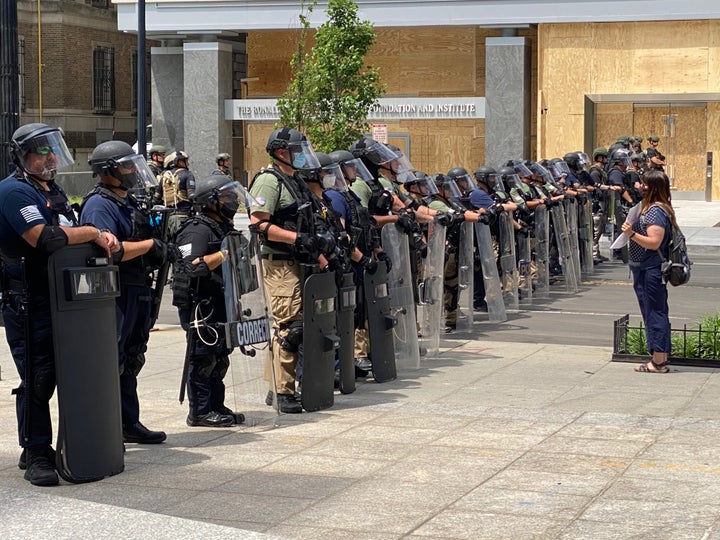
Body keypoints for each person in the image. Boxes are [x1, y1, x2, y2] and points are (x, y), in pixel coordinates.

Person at [0, 123, 118, 486]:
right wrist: (94, 232)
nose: (50, 157)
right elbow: (46, 238)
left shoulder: (53, 190)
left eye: (53, 150)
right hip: (27, 299)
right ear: (22, 156)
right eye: (41, 151)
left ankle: (47, 444)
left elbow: (66, 229)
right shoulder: (14, 191)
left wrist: (95, 238)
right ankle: (36, 452)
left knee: (64, 372)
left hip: (61, 297)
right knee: (38, 377)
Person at [80, 140, 171, 444]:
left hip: (138, 285)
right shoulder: (99, 204)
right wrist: (149, 246)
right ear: (108, 171)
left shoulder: (126, 200)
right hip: (116, 291)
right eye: (126, 165)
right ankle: (105, 426)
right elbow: (109, 251)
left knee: (132, 357)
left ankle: (128, 422)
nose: (133, 171)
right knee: (113, 358)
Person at [248, 127, 328, 413]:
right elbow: (258, 223)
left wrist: (319, 252)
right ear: (281, 152)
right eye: (297, 151)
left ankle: (277, 386)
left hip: (299, 260)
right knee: (289, 326)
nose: (302, 157)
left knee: (298, 323)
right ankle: (283, 392)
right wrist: (296, 238)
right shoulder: (269, 182)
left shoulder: (294, 181)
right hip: (279, 262)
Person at [173, 175, 245, 427]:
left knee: (220, 357)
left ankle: (217, 405)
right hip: (200, 306)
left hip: (222, 300)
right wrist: (224, 254)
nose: (233, 201)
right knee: (203, 359)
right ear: (211, 202)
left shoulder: (223, 227)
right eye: (227, 197)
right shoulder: (196, 229)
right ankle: (200, 412)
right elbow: (191, 266)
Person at [621, 169, 675, 373]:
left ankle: (659, 361)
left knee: (655, 313)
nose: (639, 187)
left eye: (644, 184)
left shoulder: (655, 211)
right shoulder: (652, 208)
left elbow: (654, 242)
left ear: (652, 188)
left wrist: (631, 233)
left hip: (650, 269)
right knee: (653, 311)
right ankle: (659, 357)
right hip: (645, 268)